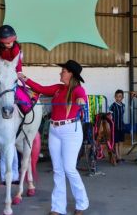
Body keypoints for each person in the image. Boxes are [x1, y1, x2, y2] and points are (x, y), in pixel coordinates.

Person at [19, 60, 89, 215]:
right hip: (54, 130)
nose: (60, 73)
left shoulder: (77, 89)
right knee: (57, 169)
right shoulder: (58, 89)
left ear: (71, 74)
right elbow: (41, 88)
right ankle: (58, 207)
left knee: (69, 168)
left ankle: (82, 203)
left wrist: (81, 101)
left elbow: (82, 97)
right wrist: (24, 78)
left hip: (71, 130)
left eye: (63, 71)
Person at [109, 89, 125, 163]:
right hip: (115, 127)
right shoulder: (113, 106)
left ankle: (120, 156)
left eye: (120, 96)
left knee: (121, 142)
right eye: (117, 96)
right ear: (115, 97)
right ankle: (117, 156)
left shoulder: (123, 106)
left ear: (122, 97)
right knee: (116, 143)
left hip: (121, 126)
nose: (118, 98)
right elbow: (109, 116)